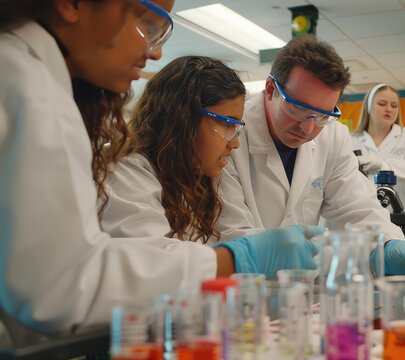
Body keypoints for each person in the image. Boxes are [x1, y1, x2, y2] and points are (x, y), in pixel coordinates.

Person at [0, 0, 316, 334]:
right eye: (148, 23)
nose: (154, 53)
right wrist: (235, 261)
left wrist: (272, 250)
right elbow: (61, 284)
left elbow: (232, 233)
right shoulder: (27, 86)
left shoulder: (32, 78)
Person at [217, 34, 405, 275]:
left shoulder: (332, 136)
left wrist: (387, 243)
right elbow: (230, 233)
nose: (308, 128)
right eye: (298, 108)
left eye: (322, 114)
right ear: (270, 90)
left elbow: (357, 206)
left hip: (302, 292)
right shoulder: (229, 131)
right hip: (240, 289)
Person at [100, 55, 321, 280]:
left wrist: (282, 249)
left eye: (236, 127)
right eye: (226, 124)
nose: (235, 143)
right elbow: (151, 266)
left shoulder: (209, 177)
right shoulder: (126, 174)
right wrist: (245, 258)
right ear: (183, 119)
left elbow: (237, 234)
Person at [351, 83, 405, 224]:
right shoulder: (351, 140)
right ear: (368, 107)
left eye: (394, 105)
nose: (389, 109)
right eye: (382, 104)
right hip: (361, 220)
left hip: (399, 220)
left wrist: (386, 166)